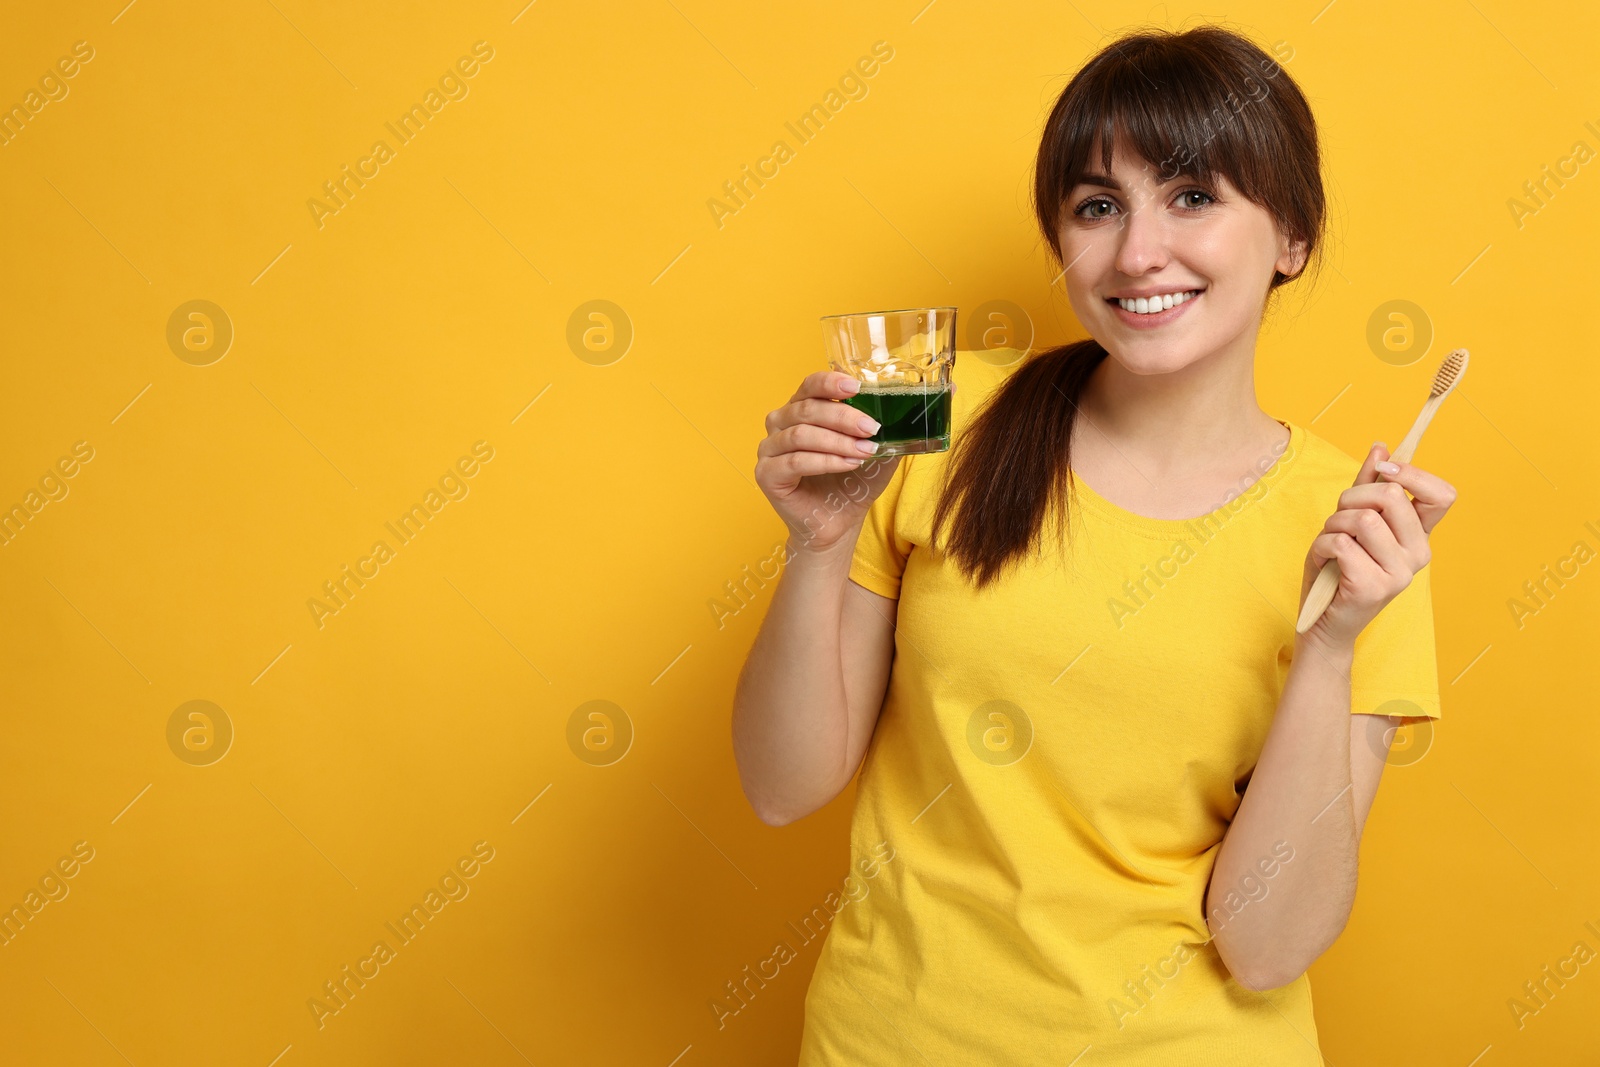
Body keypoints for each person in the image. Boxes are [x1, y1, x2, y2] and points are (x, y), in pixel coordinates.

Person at [732, 23, 1457, 1065]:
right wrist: (814, 546)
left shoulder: (1358, 530)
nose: (1136, 252)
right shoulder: (940, 420)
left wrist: (1333, 644)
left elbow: (1263, 944)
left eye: (1193, 196)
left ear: (1291, 235)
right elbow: (780, 784)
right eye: (1097, 205)